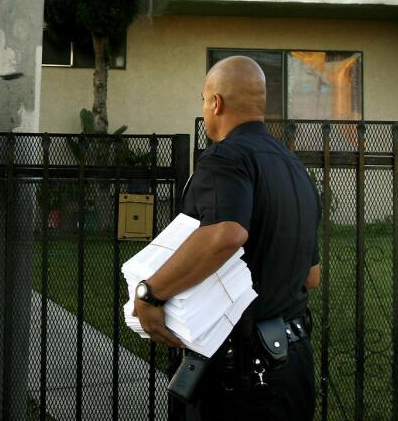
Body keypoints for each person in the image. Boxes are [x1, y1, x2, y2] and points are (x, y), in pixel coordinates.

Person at [133, 55, 321, 420]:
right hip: (293, 366)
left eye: (204, 101)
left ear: (215, 102)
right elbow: (311, 275)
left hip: (241, 377)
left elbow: (226, 234)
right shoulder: (294, 168)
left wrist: (150, 294)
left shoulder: (226, 157)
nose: (205, 110)